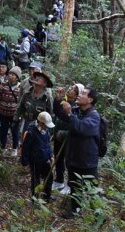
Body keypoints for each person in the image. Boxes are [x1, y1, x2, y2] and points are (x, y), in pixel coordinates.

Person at [54, 87, 100, 219]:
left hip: (87, 161)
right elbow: (60, 114)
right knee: (74, 186)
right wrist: (58, 100)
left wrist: (70, 114)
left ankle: (98, 216)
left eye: (83, 94)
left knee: (92, 190)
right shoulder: (77, 111)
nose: (79, 95)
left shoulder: (94, 116)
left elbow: (81, 128)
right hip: (73, 158)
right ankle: (74, 210)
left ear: (90, 99)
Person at [52, 83, 84, 195]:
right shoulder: (64, 102)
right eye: (70, 87)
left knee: (69, 162)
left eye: (73, 90)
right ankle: (59, 180)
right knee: (58, 158)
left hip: (68, 139)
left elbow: (75, 126)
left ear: (77, 95)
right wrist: (54, 132)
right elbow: (58, 116)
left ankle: (70, 185)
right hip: (58, 137)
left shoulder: (76, 108)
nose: (69, 89)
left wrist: (64, 134)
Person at [20, 111, 55, 203]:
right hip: (35, 160)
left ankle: (47, 196)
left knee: (49, 177)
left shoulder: (46, 131)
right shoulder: (31, 132)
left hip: (45, 159)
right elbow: (25, 148)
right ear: (40, 123)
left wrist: (51, 155)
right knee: (36, 180)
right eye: (46, 124)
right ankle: (35, 199)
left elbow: (48, 144)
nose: (47, 126)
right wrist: (24, 162)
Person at [0, 66, 22, 157]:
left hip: (15, 115)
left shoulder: (20, 87)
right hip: (3, 113)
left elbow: (22, 102)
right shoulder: (3, 85)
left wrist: (20, 114)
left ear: (17, 77)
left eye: (14, 75)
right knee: (3, 131)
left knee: (15, 132)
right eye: (10, 74)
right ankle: (2, 148)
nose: (11, 76)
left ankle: (14, 149)